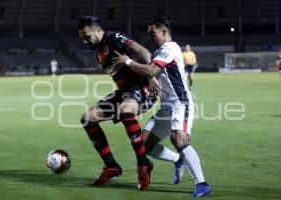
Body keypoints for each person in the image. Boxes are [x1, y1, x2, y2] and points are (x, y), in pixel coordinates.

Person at [111, 16, 212, 198]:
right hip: (166, 107)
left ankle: (202, 184)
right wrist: (150, 79)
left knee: (178, 138)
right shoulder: (159, 52)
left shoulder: (170, 47)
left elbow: (151, 70)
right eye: (149, 34)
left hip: (180, 103)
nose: (151, 37)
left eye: (153, 34)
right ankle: (178, 160)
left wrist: (127, 61)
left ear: (164, 32)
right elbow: (153, 73)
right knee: (143, 144)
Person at [78, 16, 156, 190]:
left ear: (98, 30)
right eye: (82, 38)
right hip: (125, 91)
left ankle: (143, 165)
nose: (84, 41)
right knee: (87, 118)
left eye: (87, 36)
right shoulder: (98, 50)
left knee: (125, 111)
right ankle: (111, 166)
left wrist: (151, 76)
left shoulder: (113, 37)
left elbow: (143, 51)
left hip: (142, 86)